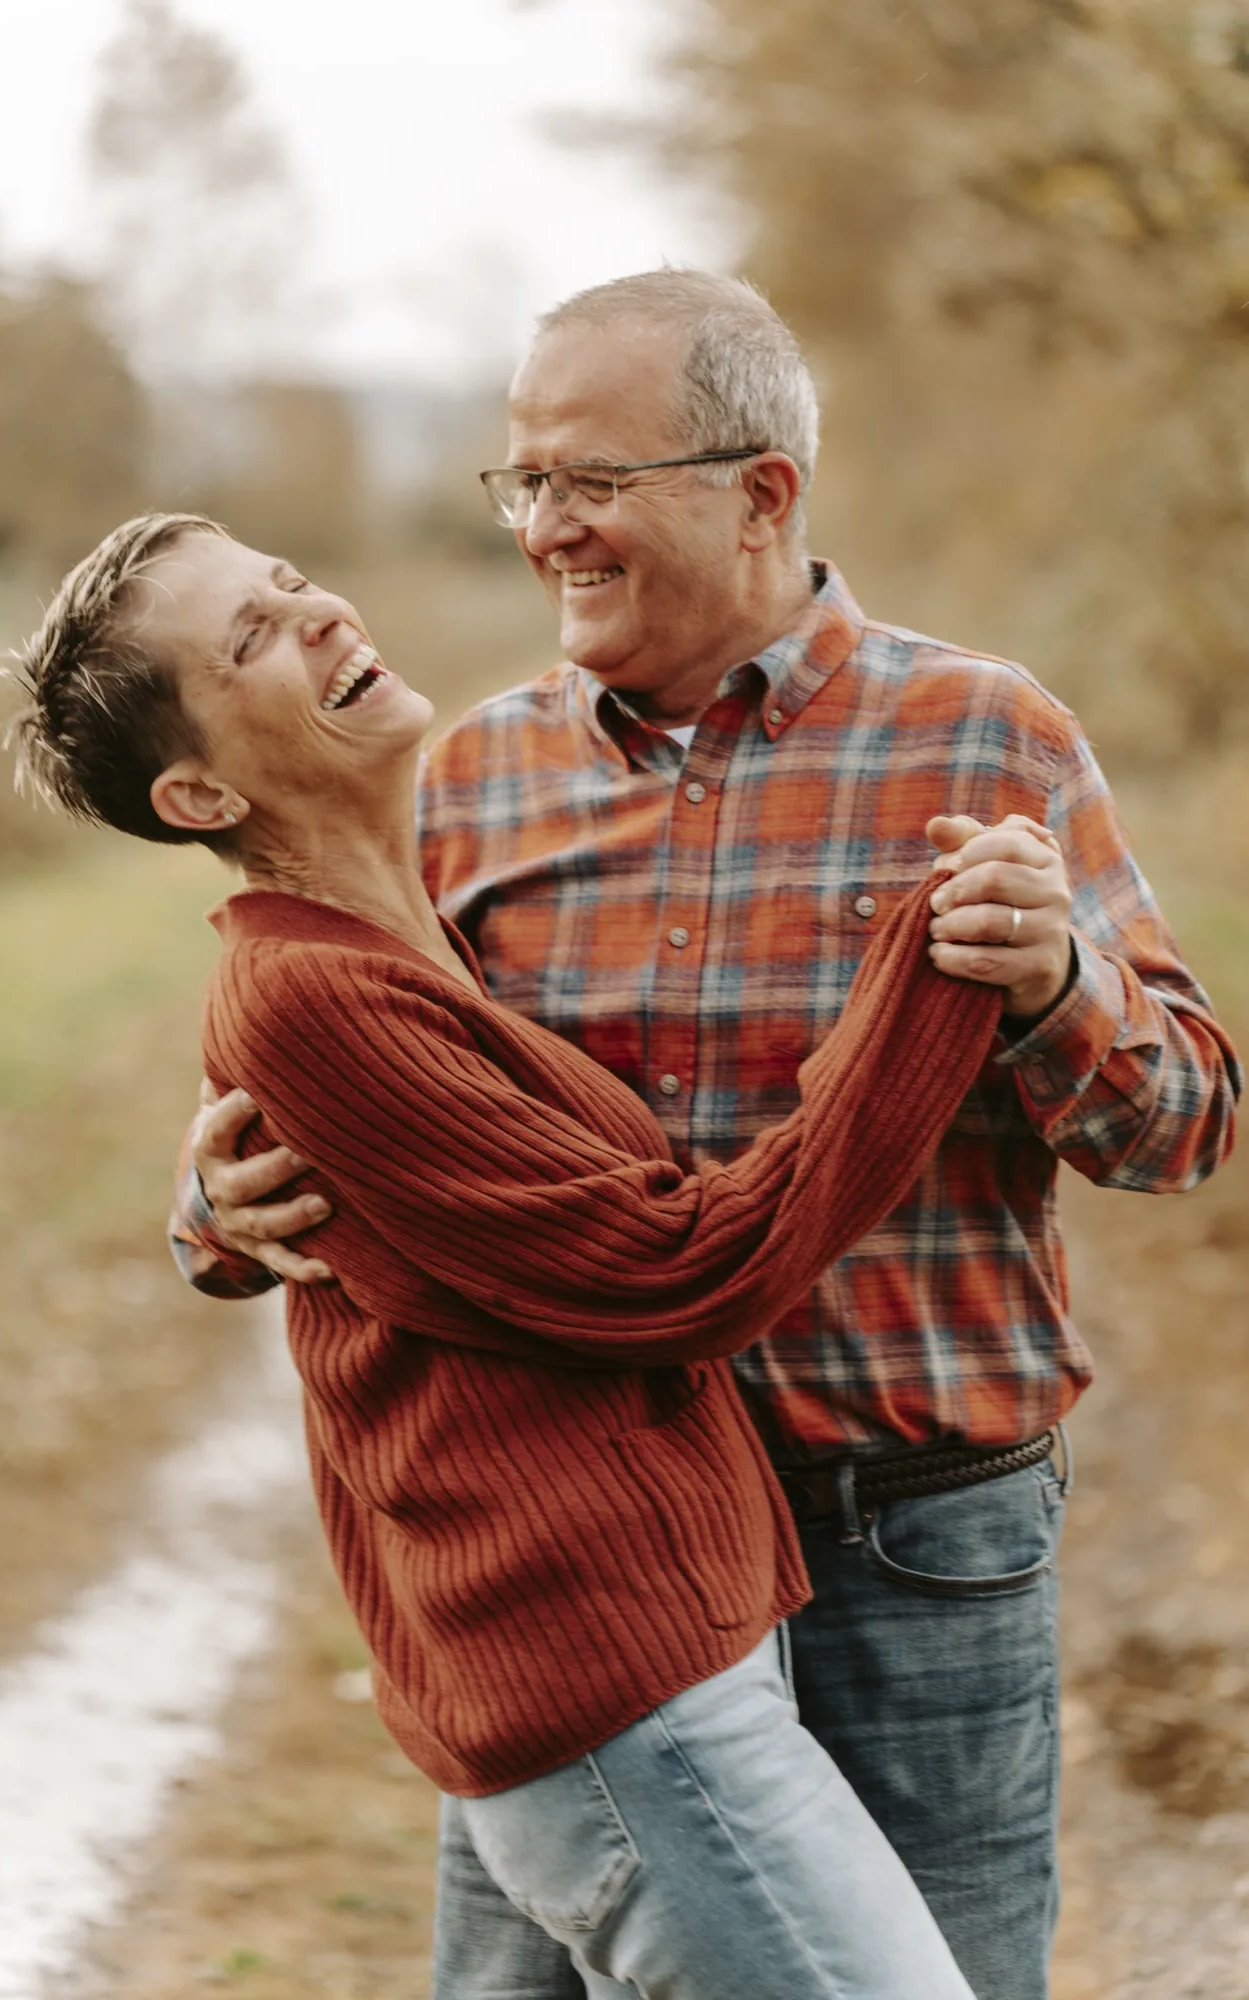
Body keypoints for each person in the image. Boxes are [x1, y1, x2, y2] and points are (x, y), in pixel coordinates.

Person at [176, 270, 1241, 2000]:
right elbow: (334, 1113)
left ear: (762, 493)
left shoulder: (983, 737)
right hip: (586, 1569)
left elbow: (1184, 1124)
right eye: (522, 482)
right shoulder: (468, 786)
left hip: (907, 1538)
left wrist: (1059, 984)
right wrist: (212, 1208)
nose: (546, 529)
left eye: (591, 481)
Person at [9, 510, 1004, 1999]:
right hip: (623, 1698)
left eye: (290, 583)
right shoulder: (309, 996)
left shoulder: (396, 930)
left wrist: (220, 1213)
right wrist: (943, 961)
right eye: (253, 638)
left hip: (659, 1651)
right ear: (199, 787)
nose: (322, 613)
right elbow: (674, 1270)